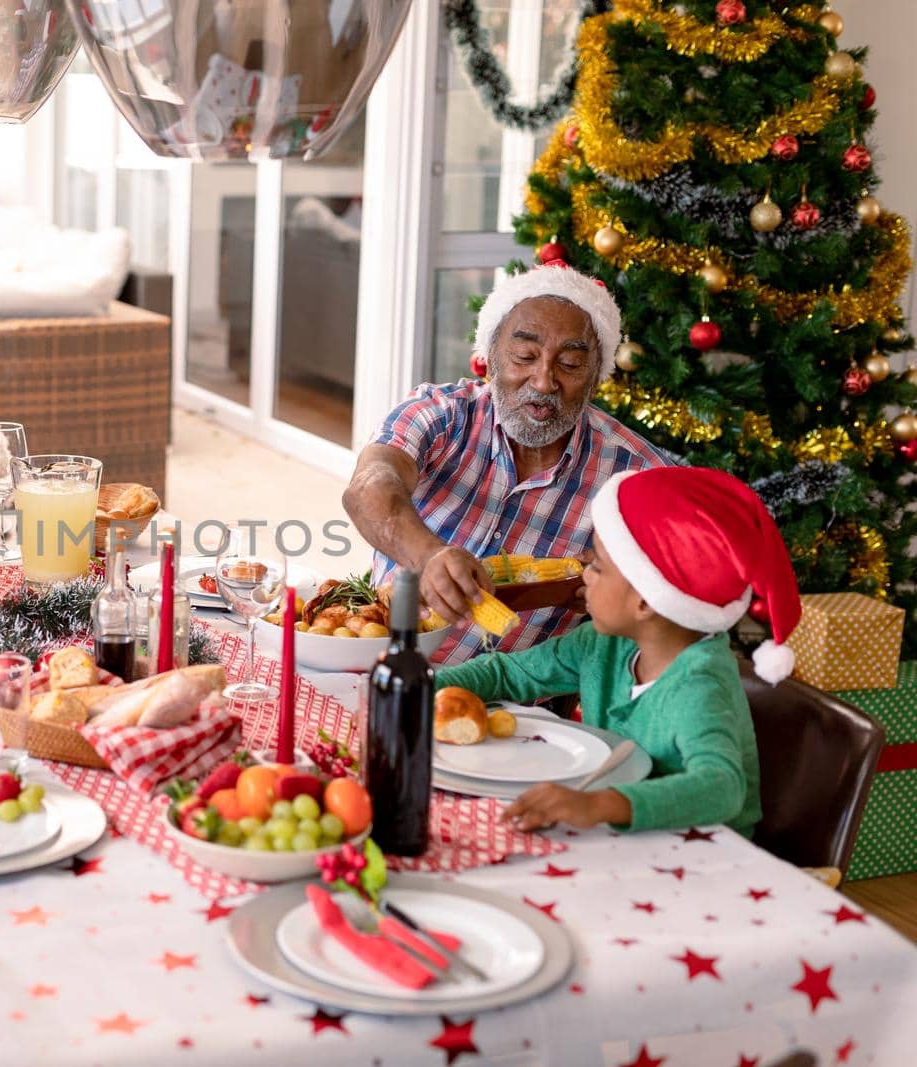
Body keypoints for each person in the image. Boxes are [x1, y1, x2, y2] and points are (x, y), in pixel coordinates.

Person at [435, 466, 802, 836]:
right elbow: (506, 674)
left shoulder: (698, 684)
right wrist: (417, 685)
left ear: (646, 601)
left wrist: (598, 804)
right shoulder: (601, 642)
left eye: (597, 566)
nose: (585, 576)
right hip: (619, 831)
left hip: (699, 851)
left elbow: (722, 787)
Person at [343, 264, 674, 664]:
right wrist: (429, 555)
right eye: (524, 356)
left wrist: (619, 593)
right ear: (491, 357)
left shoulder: (638, 474)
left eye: (569, 363)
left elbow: (676, 598)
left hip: (512, 705)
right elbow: (369, 488)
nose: (543, 381)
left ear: (596, 377)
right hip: (380, 663)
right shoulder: (440, 414)